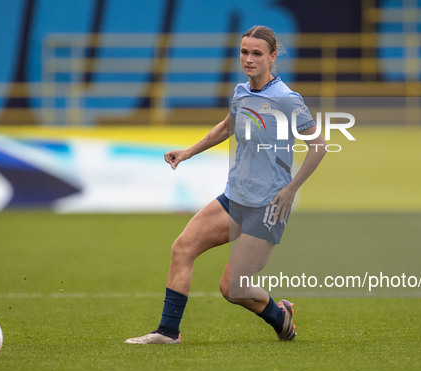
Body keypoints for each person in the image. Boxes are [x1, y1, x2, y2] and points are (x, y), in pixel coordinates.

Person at [125, 25, 326, 344]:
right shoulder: (241, 92)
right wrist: (188, 151)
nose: (249, 59)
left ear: (272, 57)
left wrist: (291, 190)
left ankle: (279, 316)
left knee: (232, 288)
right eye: (244, 52)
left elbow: (319, 146)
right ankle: (168, 332)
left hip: (268, 207)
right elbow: (227, 126)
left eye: (257, 54)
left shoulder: (287, 99)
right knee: (182, 247)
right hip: (234, 199)